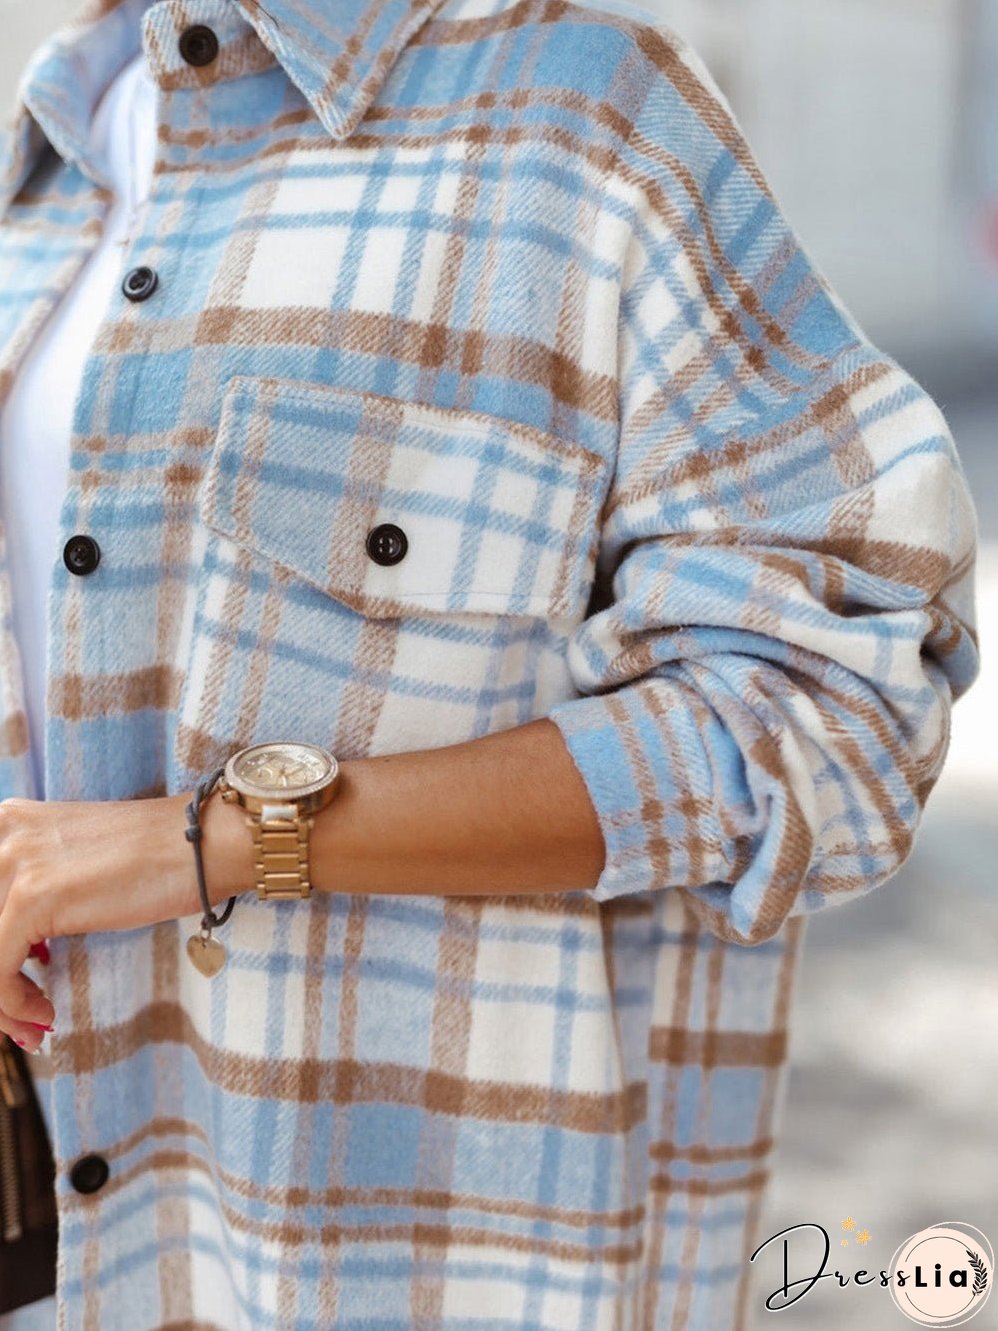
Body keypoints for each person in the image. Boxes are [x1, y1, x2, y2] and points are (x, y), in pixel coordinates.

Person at [0, 0, 979, 1323]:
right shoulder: (52, 147)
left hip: (409, 1261)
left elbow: (830, 711)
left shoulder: (579, 114)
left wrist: (205, 839)